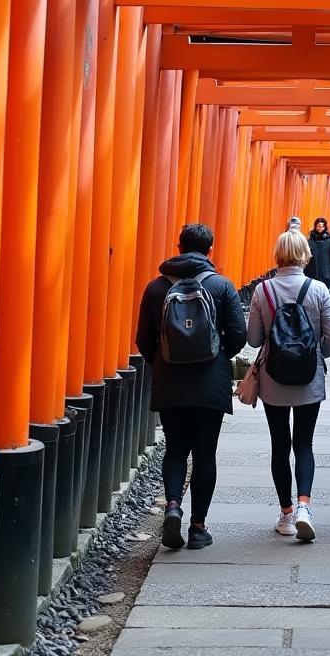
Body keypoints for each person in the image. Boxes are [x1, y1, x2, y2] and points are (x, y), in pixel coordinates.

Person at [136, 223, 247, 551]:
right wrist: (217, 353)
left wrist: (162, 361)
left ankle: (172, 506)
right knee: (204, 453)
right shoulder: (222, 286)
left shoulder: (156, 288)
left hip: (170, 382)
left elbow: (143, 339)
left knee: (174, 449)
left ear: (180, 246)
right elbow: (238, 334)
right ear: (209, 250)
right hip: (210, 383)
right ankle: (198, 528)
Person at [247, 230, 330, 541]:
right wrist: (319, 354)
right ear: (305, 255)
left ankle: (286, 514)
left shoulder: (264, 291)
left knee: (279, 444)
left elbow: (254, 339)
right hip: (308, 379)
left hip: (274, 380)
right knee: (304, 444)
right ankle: (304, 507)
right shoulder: (317, 289)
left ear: (277, 255)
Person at [304, 217, 330, 286]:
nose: (320, 228)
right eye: (318, 226)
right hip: (311, 272)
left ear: (325, 227)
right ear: (315, 226)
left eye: (322, 226)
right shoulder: (309, 238)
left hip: (325, 274)